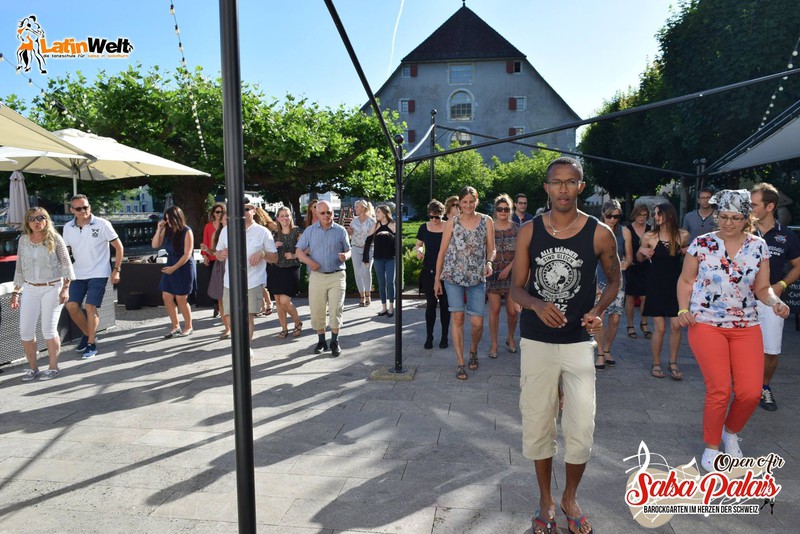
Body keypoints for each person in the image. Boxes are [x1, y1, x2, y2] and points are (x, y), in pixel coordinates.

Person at [510, 157, 618, 534]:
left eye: (571, 182)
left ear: (581, 187)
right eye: (556, 182)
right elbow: (515, 289)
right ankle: (546, 500)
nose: (563, 189)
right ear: (546, 187)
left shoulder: (599, 232)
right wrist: (537, 304)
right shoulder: (529, 231)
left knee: (581, 426)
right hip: (537, 340)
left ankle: (570, 497)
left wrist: (598, 310)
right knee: (538, 423)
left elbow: (615, 280)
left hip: (578, 341)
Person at [677, 189, 789, 472]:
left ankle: (731, 432)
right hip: (706, 324)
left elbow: (762, 288)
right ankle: (712, 446)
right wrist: (682, 309)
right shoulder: (702, 243)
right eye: (724, 216)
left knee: (750, 392)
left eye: (735, 218)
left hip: (746, 324)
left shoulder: (758, 246)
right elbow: (686, 280)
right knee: (720, 389)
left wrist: (775, 302)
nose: (728, 222)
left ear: (746, 219)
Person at [434, 186, 496, 380]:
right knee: (458, 318)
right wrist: (437, 279)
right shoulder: (452, 222)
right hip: (453, 276)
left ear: (477, 201)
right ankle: (460, 362)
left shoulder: (486, 221)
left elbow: (492, 249)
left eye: (471, 201)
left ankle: (473, 349)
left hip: (477, 277)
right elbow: (442, 251)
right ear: (459, 203)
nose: (468, 205)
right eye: (464, 202)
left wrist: (489, 262)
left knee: (477, 322)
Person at [750, 183, 800, 411]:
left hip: (770, 300)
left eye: (754, 205)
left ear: (769, 207)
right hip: (740, 300)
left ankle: (764, 387)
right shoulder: (743, 231)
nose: (750, 208)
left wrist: (781, 285)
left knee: (771, 350)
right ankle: (742, 385)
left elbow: (798, 265)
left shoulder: (786, 235)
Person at [11, 208, 75, 381]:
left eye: (40, 218)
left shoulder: (55, 238)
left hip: (52, 287)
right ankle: (33, 368)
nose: (36, 222)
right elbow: (20, 268)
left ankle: (53, 367)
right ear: (27, 222)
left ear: (47, 220)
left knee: (48, 329)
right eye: (32, 219)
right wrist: (16, 292)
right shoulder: (23, 240)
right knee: (25, 331)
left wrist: (65, 288)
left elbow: (66, 265)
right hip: (30, 288)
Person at [62, 194, 123, 359]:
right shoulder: (67, 227)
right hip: (77, 273)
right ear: (72, 210)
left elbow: (119, 247)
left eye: (86, 207)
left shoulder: (103, 224)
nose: (84, 211)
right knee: (71, 306)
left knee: (90, 307)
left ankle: (91, 344)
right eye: (79, 208)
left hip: (99, 273)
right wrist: (63, 275)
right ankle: (89, 334)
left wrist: (116, 269)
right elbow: (65, 253)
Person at [214, 197, 278, 346]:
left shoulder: (263, 232)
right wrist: (221, 254)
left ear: (254, 211)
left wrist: (262, 254)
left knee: (247, 316)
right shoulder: (226, 230)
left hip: (253, 281)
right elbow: (217, 253)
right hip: (230, 281)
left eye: (247, 209)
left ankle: (245, 347)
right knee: (229, 315)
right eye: (239, 209)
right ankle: (239, 343)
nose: (243, 212)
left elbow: (275, 258)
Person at [637, 202, 690, 380]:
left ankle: (673, 362)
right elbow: (638, 259)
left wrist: (687, 252)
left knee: (676, 326)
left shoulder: (683, 235)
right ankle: (656, 363)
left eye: (658, 213)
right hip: (656, 284)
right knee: (659, 328)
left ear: (669, 215)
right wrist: (642, 252)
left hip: (675, 285)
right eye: (655, 214)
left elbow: (690, 257)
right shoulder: (649, 236)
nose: (655, 217)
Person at [295, 200, 351, 357]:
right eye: (323, 213)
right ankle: (321, 341)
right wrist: (310, 262)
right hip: (317, 277)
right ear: (317, 214)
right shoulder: (310, 231)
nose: (327, 215)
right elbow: (298, 251)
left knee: (336, 309)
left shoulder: (340, 230)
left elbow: (349, 250)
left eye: (329, 212)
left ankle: (335, 341)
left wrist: (345, 256)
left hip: (337, 275)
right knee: (317, 309)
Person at [594, 200, 633, 370]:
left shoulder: (624, 232)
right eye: (609, 216)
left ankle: (607, 348)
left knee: (615, 318)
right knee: (599, 317)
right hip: (599, 278)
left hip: (617, 280)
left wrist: (627, 263)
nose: (612, 219)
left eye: (616, 216)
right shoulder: (595, 230)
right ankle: (600, 353)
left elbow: (629, 256)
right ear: (603, 214)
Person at [151, 206, 196, 338]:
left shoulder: (187, 231)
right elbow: (154, 245)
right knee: (166, 296)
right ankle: (175, 326)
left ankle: (188, 326)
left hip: (184, 266)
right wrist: (159, 229)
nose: (167, 221)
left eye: (169, 218)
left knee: (181, 298)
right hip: (171, 263)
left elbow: (187, 254)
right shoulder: (167, 230)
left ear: (177, 218)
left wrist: (173, 268)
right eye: (166, 218)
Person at [487, 194, 519, 358]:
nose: (503, 212)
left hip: (512, 274)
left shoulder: (517, 228)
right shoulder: (489, 228)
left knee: (512, 311)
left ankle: (510, 338)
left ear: (510, 210)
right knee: (495, 310)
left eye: (506, 209)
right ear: (495, 210)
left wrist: (508, 268)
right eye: (500, 209)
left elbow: (522, 252)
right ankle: (494, 343)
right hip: (493, 274)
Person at [416, 200, 450, 349]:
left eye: (437, 217)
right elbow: (419, 244)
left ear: (443, 214)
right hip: (429, 270)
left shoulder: (448, 226)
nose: (434, 220)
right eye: (431, 217)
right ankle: (429, 337)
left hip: (446, 271)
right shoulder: (424, 227)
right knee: (430, 304)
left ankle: (444, 337)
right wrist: (419, 251)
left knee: (445, 305)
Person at [269, 206, 304, 339]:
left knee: (285, 301)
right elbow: (268, 251)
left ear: (291, 217)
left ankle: (297, 322)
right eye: (282, 216)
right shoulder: (275, 234)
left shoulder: (297, 231)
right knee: (278, 301)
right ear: (277, 218)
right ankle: (284, 328)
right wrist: (274, 246)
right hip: (276, 268)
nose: (285, 218)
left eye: (287, 215)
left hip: (292, 268)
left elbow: (307, 248)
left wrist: (294, 255)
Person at [363, 205, 396, 317]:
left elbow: (397, 242)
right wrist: (365, 258)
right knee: (381, 283)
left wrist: (389, 235)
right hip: (378, 258)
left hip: (391, 258)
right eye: (376, 212)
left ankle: (391, 306)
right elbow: (368, 241)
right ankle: (384, 307)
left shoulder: (393, 225)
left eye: (378, 212)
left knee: (390, 282)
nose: (376, 214)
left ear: (385, 213)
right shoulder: (375, 225)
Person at [624, 204, 652, 339]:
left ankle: (644, 323)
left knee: (645, 298)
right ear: (634, 215)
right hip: (631, 266)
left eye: (644, 215)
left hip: (646, 266)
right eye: (639, 215)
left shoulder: (650, 229)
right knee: (630, 298)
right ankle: (630, 326)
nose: (642, 218)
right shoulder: (627, 229)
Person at [207, 212, 231, 339]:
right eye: (226, 219)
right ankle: (227, 327)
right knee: (221, 298)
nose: (228, 221)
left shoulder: (239, 231)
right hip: (220, 266)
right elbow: (213, 251)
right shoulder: (217, 234)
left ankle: (236, 325)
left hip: (233, 265)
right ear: (221, 220)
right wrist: (208, 251)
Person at [348, 199, 376, 306]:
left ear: (363, 208)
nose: (355, 209)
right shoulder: (353, 221)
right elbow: (350, 234)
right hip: (355, 248)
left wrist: (368, 243)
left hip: (368, 249)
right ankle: (362, 296)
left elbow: (374, 236)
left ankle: (368, 294)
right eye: (355, 207)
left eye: (357, 207)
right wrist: (349, 232)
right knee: (358, 272)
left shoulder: (372, 221)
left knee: (365, 271)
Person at [201, 202, 226, 318]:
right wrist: (204, 254)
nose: (219, 214)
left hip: (224, 259)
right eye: (217, 212)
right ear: (213, 213)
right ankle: (217, 306)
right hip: (213, 258)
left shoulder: (227, 227)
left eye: (221, 212)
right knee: (216, 284)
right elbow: (206, 242)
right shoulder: (209, 227)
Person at [254, 207, 276, 315]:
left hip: (265, 255)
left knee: (261, 283)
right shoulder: (249, 226)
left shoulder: (267, 225)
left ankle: (268, 303)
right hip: (256, 256)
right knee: (257, 283)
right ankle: (262, 305)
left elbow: (277, 228)